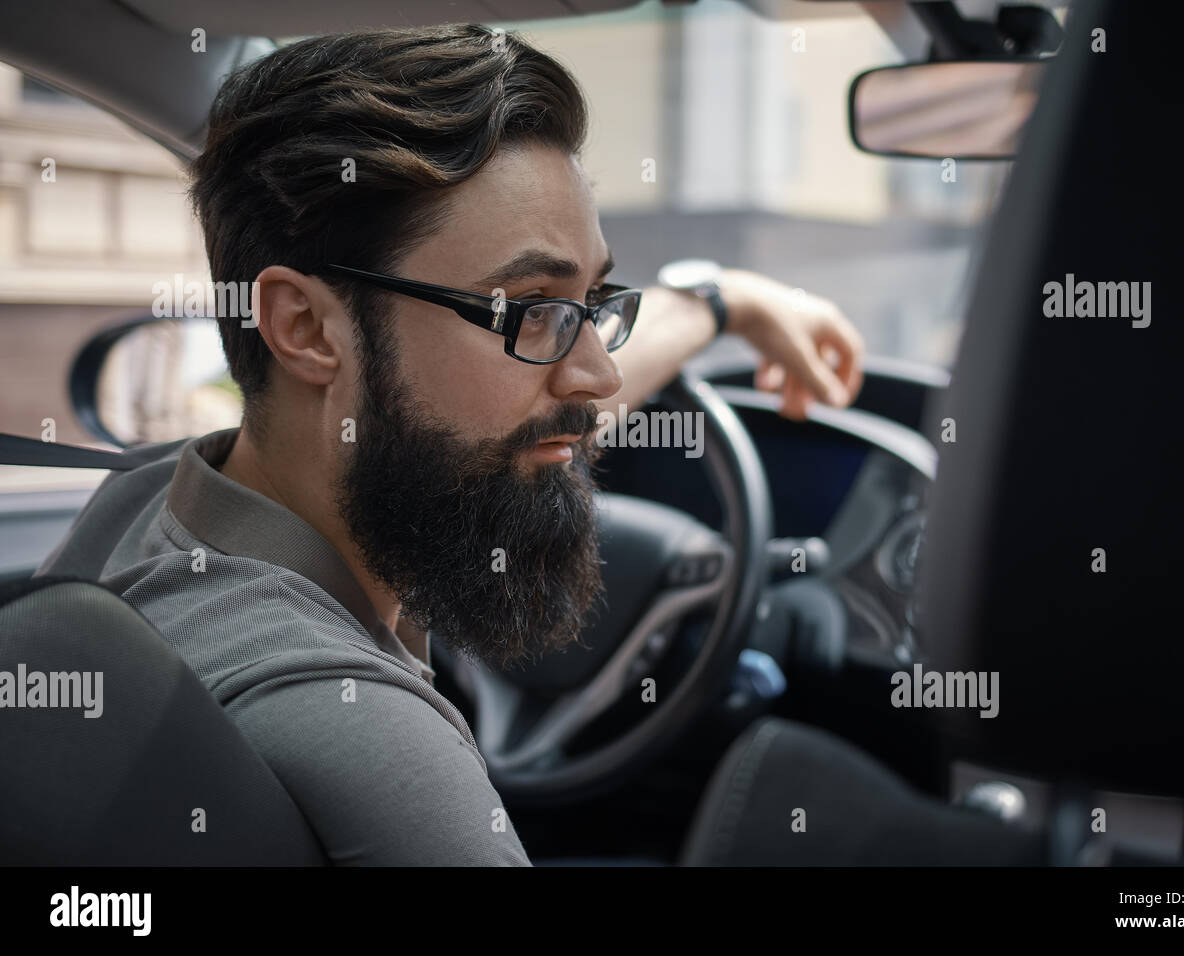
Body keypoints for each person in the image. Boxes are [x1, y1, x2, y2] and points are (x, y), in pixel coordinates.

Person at [39, 24, 873, 864]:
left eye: (594, 303)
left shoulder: (146, 503)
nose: (600, 376)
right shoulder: (363, 729)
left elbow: (505, 413)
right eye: (527, 307)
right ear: (304, 329)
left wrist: (722, 304)